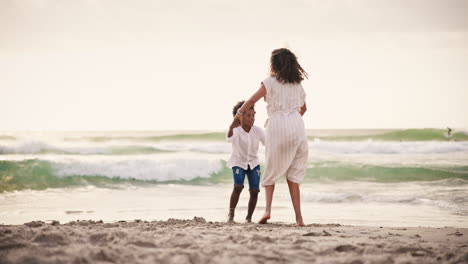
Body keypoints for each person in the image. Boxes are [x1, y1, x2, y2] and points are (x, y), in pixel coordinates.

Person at [234, 48, 308, 226]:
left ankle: (267, 211)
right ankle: (299, 218)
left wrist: (240, 111)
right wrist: (292, 123)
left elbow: (252, 100)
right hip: (297, 127)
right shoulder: (297, 84)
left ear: (274, 64)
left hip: (277, 126)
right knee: (294, 174)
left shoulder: (270, 82)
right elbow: (304, 109)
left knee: (270, 172)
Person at [227, 101, 265, 223]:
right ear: (240, 117)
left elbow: (268, 143)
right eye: (248, 115)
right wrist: (232, 125)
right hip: (238, 162)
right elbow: (229, 138)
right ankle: (231, 215)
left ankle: (249, 218)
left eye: (253, 115)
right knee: (238, 186)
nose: (252, 118)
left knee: (255, 190)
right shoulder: (236, 131)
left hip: (253, 163)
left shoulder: (258, 131)